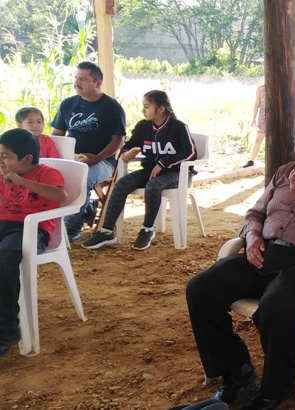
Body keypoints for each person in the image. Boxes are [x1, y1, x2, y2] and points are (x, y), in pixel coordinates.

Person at [185, 113, 295, 409]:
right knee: (201, 288)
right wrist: (253, 235)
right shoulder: (285, 172)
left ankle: (276, 390)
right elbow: (254, 213)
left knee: (275, 308)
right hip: (264, 253)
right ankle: (237, 371)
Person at [81, 90, 196, 251]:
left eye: (147, 107)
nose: (143, 110)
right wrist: (126, 153)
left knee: (153, 186)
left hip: (177, 174)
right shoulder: (143, 126)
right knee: (121, 184)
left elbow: (190, 153)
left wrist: (163, 163)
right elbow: (130, 145)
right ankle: (107, 231)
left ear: (160, 109)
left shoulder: (178, 127)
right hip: (150, 170)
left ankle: (147, 229)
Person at [0, 129, 67, 357]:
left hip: (32, 230)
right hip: (4, 225)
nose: (1, 161)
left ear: (26, 159)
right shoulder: (3, 174)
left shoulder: (47, 173)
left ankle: (7, 330)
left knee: (4, 257)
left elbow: (60, 196)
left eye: (5, 156)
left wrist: (21, 181)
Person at [51, 61, 126, 242]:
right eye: (76, 78)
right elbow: (57, 135)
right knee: (49, 177)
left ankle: (72, 229)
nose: (77, 83)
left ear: (97, 83)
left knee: (82, 178)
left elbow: (118, 140)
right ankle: (79, 211)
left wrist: (96, 158)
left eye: (83, 79)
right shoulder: (68, 104)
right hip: (72, 158)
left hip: (103, 162)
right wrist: (60, 158)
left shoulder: (112, 107)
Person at [244, 84, 267, 168]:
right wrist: (254, 118)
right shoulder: (260, 88)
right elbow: (257, 104)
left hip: (274, 114)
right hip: (263, 115)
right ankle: (251, 160)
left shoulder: (277, 88)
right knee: (258, 140)